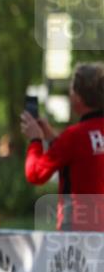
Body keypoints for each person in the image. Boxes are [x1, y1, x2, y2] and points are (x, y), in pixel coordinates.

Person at [21, 62, 104, 231]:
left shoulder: (74, 136)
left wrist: (35, 140)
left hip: (78, 233)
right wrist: (53, 138)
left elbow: (35, 174)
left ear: (79, 97)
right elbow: (84, 156)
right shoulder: (74, 138)